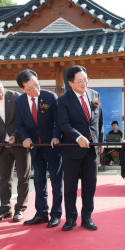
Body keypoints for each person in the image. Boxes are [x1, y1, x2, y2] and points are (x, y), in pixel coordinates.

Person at [57, 65, 103, 231]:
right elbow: (63, 124)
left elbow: (99, 121)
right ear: (71, 83)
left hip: (91, 150)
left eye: (85, 79)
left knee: (90, 186)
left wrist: (100, 142)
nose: (84, 84)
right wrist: (78, 136)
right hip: (71, 151)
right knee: (70, 187)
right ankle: (70, 218)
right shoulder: (63, 100)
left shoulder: (94, 95)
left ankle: (87, 217)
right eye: (80, 81)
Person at [15, 69, 63, 228]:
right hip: (35, 147)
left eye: (37, 85)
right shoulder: (19, 101)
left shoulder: (50, 96)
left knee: (56, 180)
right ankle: (41, 213)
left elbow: (58, 121)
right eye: (30, 88)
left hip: (52, 145)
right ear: (22, 89)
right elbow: (20, 124)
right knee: (39, 181)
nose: (35, 90)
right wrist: (26, 137)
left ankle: (56, 214)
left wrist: (56, 136)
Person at [0, 82, 31, 222]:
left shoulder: (16, 97)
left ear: (2, 87)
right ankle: (5, 208)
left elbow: (24, 120)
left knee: (23, 176)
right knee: (4, 178)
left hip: (19, 143)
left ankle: (20, 209)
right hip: (2, 145)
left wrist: (15, 135)